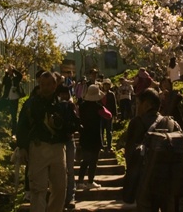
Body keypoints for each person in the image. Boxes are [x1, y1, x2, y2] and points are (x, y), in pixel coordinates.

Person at [124, 88, 183, 211]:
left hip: (145, 182)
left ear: (146, 105)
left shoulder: (137, 123)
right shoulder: (172, 123)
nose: (138, 108)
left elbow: (130, 154)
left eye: (138, 104)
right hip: (169, 182)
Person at [16, 71, 68, 212]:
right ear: (39, 85)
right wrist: (22, 147)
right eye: (42, 84)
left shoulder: (62, 105)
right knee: (38, 189)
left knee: (60, 188)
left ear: (54, 85)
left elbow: (69, 127)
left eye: (49, 84)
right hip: (38, 147)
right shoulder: (31, 104)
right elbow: (22, 126)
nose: (45, 87)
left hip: (57, 148)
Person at [77, 84, 112, 190]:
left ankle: (80, 181)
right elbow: (109, 115)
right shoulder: (98, 107)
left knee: (85, 160)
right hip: (95, 136)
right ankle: (90, 181)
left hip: (84, 135)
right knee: (93, 160)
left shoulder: (82, 106)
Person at [56, 84, 80, 211]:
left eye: (66, 93)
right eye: (62, 94)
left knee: (70, 170)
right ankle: (61, 198)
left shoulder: (71, 106)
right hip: (58, 142)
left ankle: (70, 197)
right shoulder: (54, 107)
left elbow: (77, 122)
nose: (64, 96)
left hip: (69, 140)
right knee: (59, 171)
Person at [0, 65, 23, 135]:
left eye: (11, 70)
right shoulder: (7, 78)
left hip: (14, 99)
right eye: (9, 70)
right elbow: (4, 82)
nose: (10, 72)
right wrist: (7, 73)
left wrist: (14, 70)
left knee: (14, 116)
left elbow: (20, 75)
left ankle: (14, 132)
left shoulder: (16, 78)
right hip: (6, 98)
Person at [100, 79, 117, 151]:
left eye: (108, 85)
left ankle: (109, 146)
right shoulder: (100, 94)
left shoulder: (111, 94)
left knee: (109, 130)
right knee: (101, 130)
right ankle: (101, 145)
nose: (106, 86)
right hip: (101, 115)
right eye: (105, 85)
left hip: (109, 115)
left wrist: (115, 114)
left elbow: (114, 105)